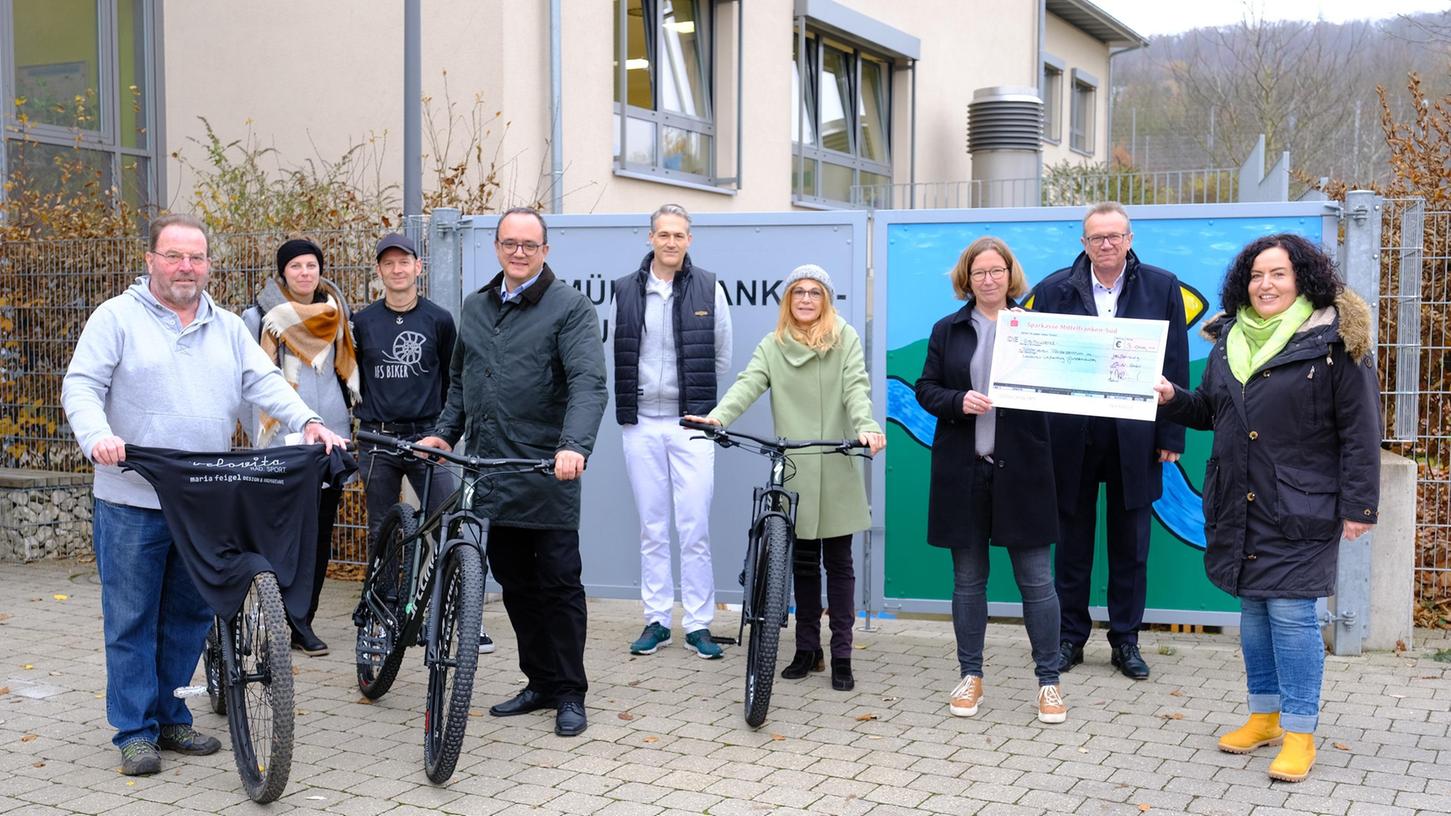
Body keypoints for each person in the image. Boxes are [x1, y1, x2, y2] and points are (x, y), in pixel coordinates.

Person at [61, 214, 346, 776]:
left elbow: (264, 383)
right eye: (173, 256)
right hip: (131, 498)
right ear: (151, 262)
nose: (185, 267)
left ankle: (170, 717)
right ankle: (135, 732)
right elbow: (82, 385)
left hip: (203, 503)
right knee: (130, 618)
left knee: (190, 615)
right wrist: (97, 437)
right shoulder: (116, 317)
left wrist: (309, 419)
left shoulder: (226, 326)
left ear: (208, 264)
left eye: (195, 257)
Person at [1154, 233, 1379, 783]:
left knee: (1291, 615)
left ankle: (1300, 732)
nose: (1266, 284)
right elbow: (1210, 412)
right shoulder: (1228, 339)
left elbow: (1360, 429)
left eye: (1278, 273)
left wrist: (1360, 507)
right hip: (1239, 499)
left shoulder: (1334, 341)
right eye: (1257, 275)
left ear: (1302, 278)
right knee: (1253, 612)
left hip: (1301, 503)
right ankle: (1264, 716)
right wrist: (1172, 398)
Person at [417, 207, 607, 737]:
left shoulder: (569, 308)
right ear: (497, 247)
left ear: (545, 251)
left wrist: (573, 446)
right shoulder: (476, 306)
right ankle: (540, 681)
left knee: (558, 584)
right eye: (509, 243)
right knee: (516, 583)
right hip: (488, 472)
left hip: (546, 470)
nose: (518, 252)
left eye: (529, 244)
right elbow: (460, 383)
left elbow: (589, 384)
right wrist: (443, 434)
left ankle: (570, 691)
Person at [687, 264, 884, 692]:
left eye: (815, 292)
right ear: (788, 301)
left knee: (840, 564)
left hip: (836, 462)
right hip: (793, 466)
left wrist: (865, 426)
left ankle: (842, 655)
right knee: (802, 564)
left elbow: (856, 388)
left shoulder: (845, 338)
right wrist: (717, 417)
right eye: (798, 292)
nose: (807, 299)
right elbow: (748, 383)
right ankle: (807, 649)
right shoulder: (772, 345)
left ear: (826, 299)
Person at [1031, 201, 1188, 680]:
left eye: (1114, 236)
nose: (1105, 244)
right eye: (1096, 237)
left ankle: (1126, 641)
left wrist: (1172, 431)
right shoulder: (1054, 289)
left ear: (1129, 239)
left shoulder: (1161, 287)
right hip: (1070, 437)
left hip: (1136, 436)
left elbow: (1176, 360)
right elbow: (1039, 362)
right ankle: (1069, 638)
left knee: (1131, 546)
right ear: (1083, 243)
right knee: (1072, 544)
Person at [914, 237, 1066, 724]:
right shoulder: (948, 329)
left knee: (1038, 583)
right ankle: (971, 675)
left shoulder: (1036, 328)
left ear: (1010, 274)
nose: (988, 279)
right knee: (968, 582)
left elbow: (1061, 386)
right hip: (965, 471)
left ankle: (1049, 683)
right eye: (979, 272)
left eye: (996, 270)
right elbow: (926, 389)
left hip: (1023, 472)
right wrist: (958, 401)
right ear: (967, 278)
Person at [352, 234, 496, 654]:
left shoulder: (439, 320)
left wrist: (450, 430)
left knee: (450, 522)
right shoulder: (362, 323)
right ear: (379, 271)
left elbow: (455, 378)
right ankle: (384, 612)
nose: (397, 270)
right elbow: (349, 379)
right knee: (383, 530)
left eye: (405, 262)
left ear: (419, 267)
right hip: (378, 437)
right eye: (388, 264)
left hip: (427, 436)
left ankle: (459, 614)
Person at [613, 204, 733, 660]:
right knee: (652, 526)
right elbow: (621, 352)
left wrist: (704, 409)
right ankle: (657, 619)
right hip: (641, 424)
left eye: (678, 234)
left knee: (694, 526)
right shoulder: (625, 289)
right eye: (663, 234)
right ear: (650, 238)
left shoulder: (709, 286)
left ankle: (699, 624)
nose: (670, 242)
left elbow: (721, 355)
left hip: (691, 424)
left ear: (689, 239)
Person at [241, 238, 359, 657]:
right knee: (281, 534)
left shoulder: (337, 314)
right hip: (281, 443)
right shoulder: (257, 317)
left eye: (311, 265)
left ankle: (302, 621)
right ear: (283, 272)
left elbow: (342, 378)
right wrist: (259, 435)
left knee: (319, 533)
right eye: (296, 267)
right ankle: (275, 617)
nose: (305, 273)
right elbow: (244, 386)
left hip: (331, 439)